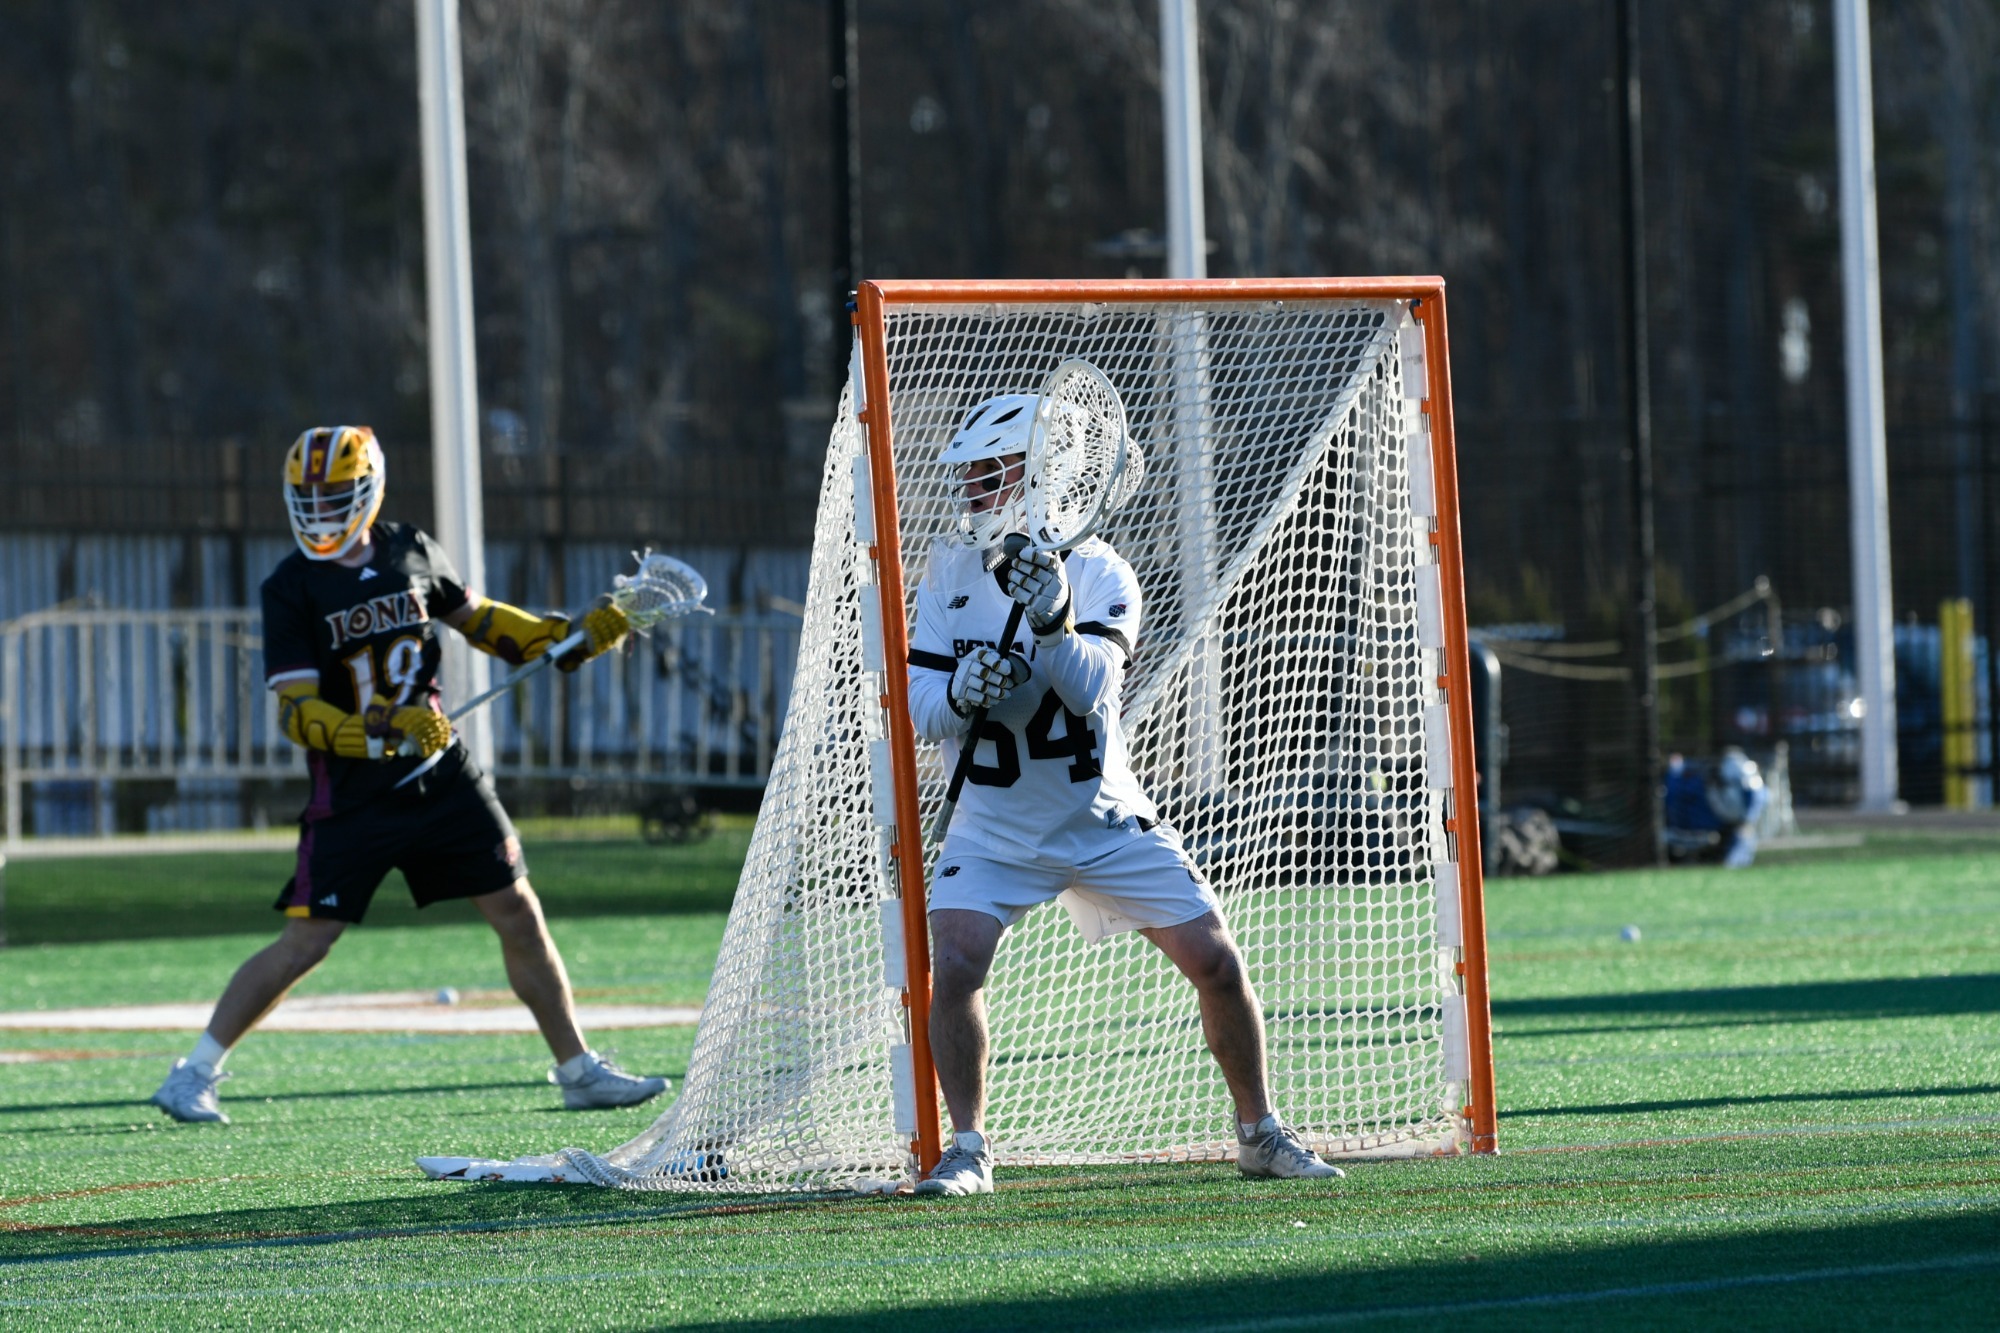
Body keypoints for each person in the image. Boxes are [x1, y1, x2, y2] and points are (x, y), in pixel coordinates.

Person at [150, 425, 670, 1124]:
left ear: (370, 491)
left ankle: (578, 1068)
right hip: (356, 792)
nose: (321, 510)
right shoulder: (291, 587)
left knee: (518, 909)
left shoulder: (410, 548)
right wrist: (385, 724)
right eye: (309, 497)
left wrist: (568, 635)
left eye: (335, 496)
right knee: (308, 940)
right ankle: (193, 1072)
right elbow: (298, 714)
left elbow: (484, 622)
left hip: (441, 773)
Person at [902, 394, 1344, 1195]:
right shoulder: (948, 570)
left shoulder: (1100, 568)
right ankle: (968, 1147)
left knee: (1213, 958)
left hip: (1100, 816)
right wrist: (964, 688)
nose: (968, 486)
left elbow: (1091, 687)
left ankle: (1260, 1131)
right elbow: (921, 706)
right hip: (993, 824)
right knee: (958, 961)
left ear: (1035, 473)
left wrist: (1051, 622)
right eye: (964, 471)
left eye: (985, 470)